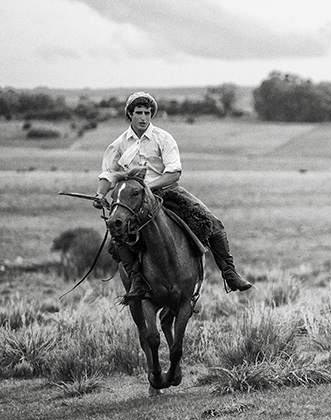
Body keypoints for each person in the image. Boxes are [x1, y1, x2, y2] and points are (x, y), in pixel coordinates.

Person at [94, 92, 253, 302]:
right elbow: (109, 174)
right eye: (139, 113)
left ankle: (230, 274)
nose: (143, 117)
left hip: (166, 189)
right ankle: (136, 279)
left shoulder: (163, 138)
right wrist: (100, 193)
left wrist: (148, 187)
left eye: (147, 113)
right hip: (133, 199)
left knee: (212, 223)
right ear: (130, 115)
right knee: (117, 231)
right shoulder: (119, 144)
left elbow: (174, 172)